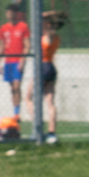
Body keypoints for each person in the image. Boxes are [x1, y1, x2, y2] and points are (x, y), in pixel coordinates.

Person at [0, 0, 32, 118]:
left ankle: (17, 113)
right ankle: (15, 111)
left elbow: (27, 45)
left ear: (16, 14)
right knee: (12, 88)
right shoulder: (3, 28)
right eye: (7, 13)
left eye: (11, 13)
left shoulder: (23, 27)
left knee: (17, 86)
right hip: (8, 62)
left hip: (17, 61)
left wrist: (22, 60)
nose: (9, 15)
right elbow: (1, 47)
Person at [37, 10, 65, 140]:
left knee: (29, 98)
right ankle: (51, 132)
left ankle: (37, 129)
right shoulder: (56, 37)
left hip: (43, 66)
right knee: (50, 101)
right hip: (51, 67)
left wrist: (50, 14)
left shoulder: (48, 35)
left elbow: (39, 17)